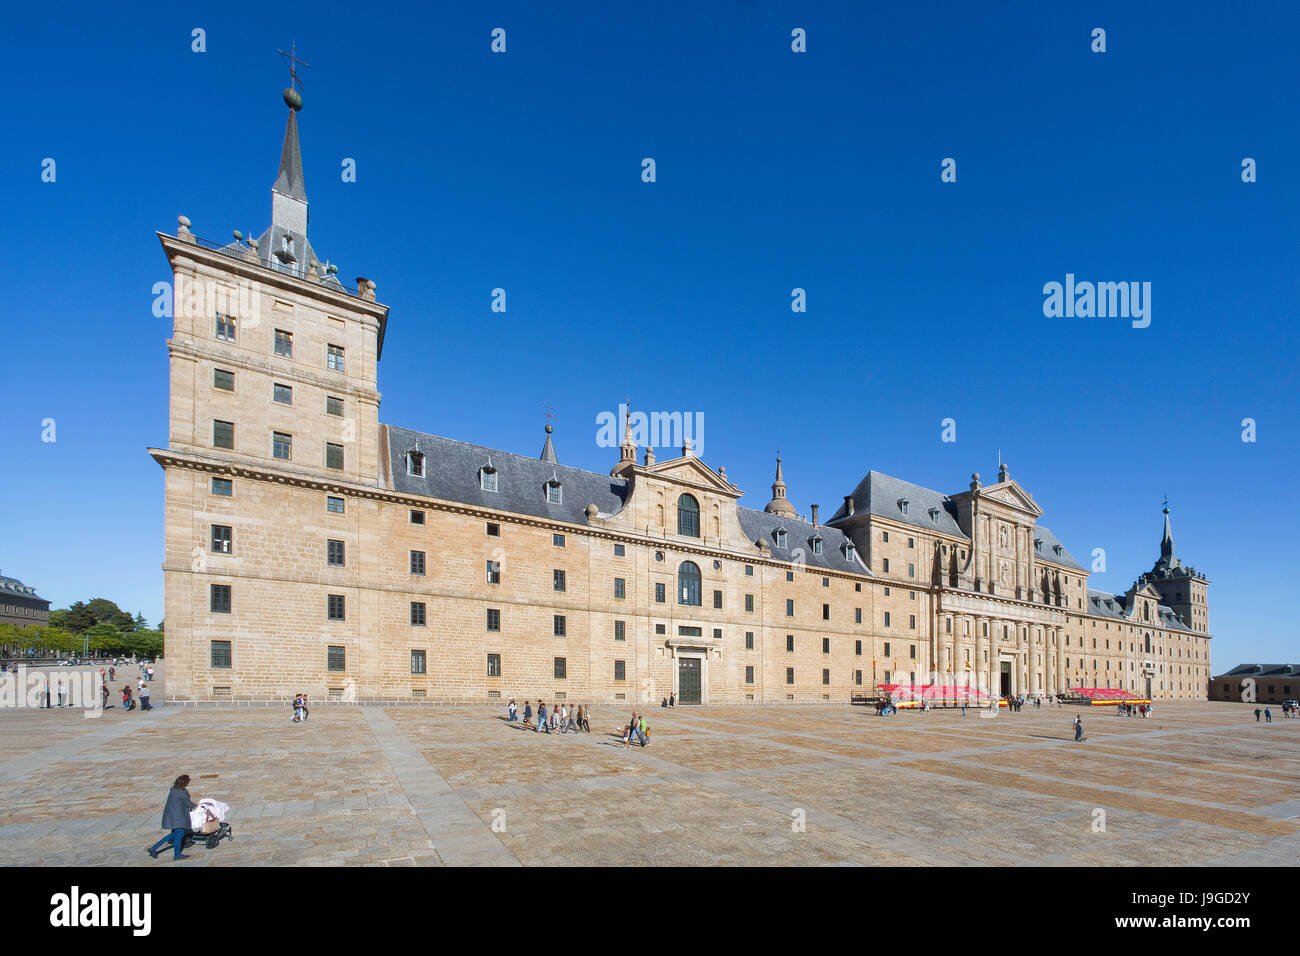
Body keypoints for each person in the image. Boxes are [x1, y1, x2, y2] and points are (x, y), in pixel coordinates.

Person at [147, 775, 197, 861]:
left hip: (172, 815)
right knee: (179, 834)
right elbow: (188, 804)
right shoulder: (183, 793)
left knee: (174, 834)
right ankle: (177, 854)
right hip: (179, 817)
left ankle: (153, 848)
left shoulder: (173, 790)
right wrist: (196, 805)